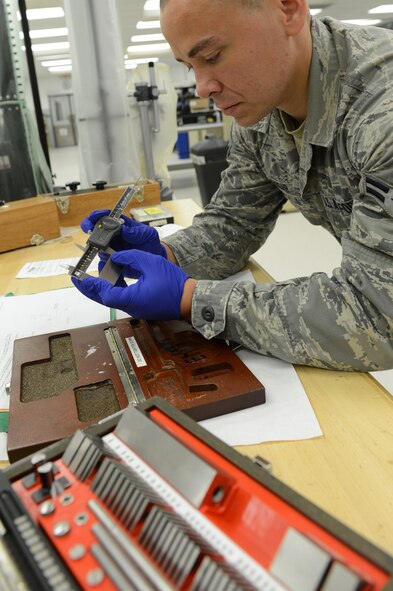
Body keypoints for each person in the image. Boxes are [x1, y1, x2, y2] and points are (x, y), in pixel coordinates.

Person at [72, 0, 393, 371]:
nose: (202, 88)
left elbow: (377, 313)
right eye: (189, 66)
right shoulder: (261, 109)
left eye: (211, 56)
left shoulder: (381, 112)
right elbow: (234, 222)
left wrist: (193, 300)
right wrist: (167, 255)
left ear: (288, 10)